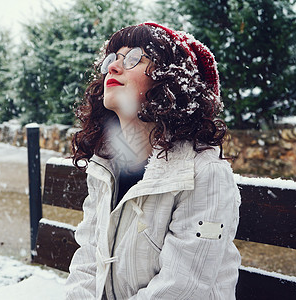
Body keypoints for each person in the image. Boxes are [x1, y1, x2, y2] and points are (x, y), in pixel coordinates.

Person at [65, 22, 241, 300]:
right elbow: (88, 261)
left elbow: (182, 288)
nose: (113, 67)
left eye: (135, 57)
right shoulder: (105, 165)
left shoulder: (204, 172)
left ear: (168, 81)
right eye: (112, 59)